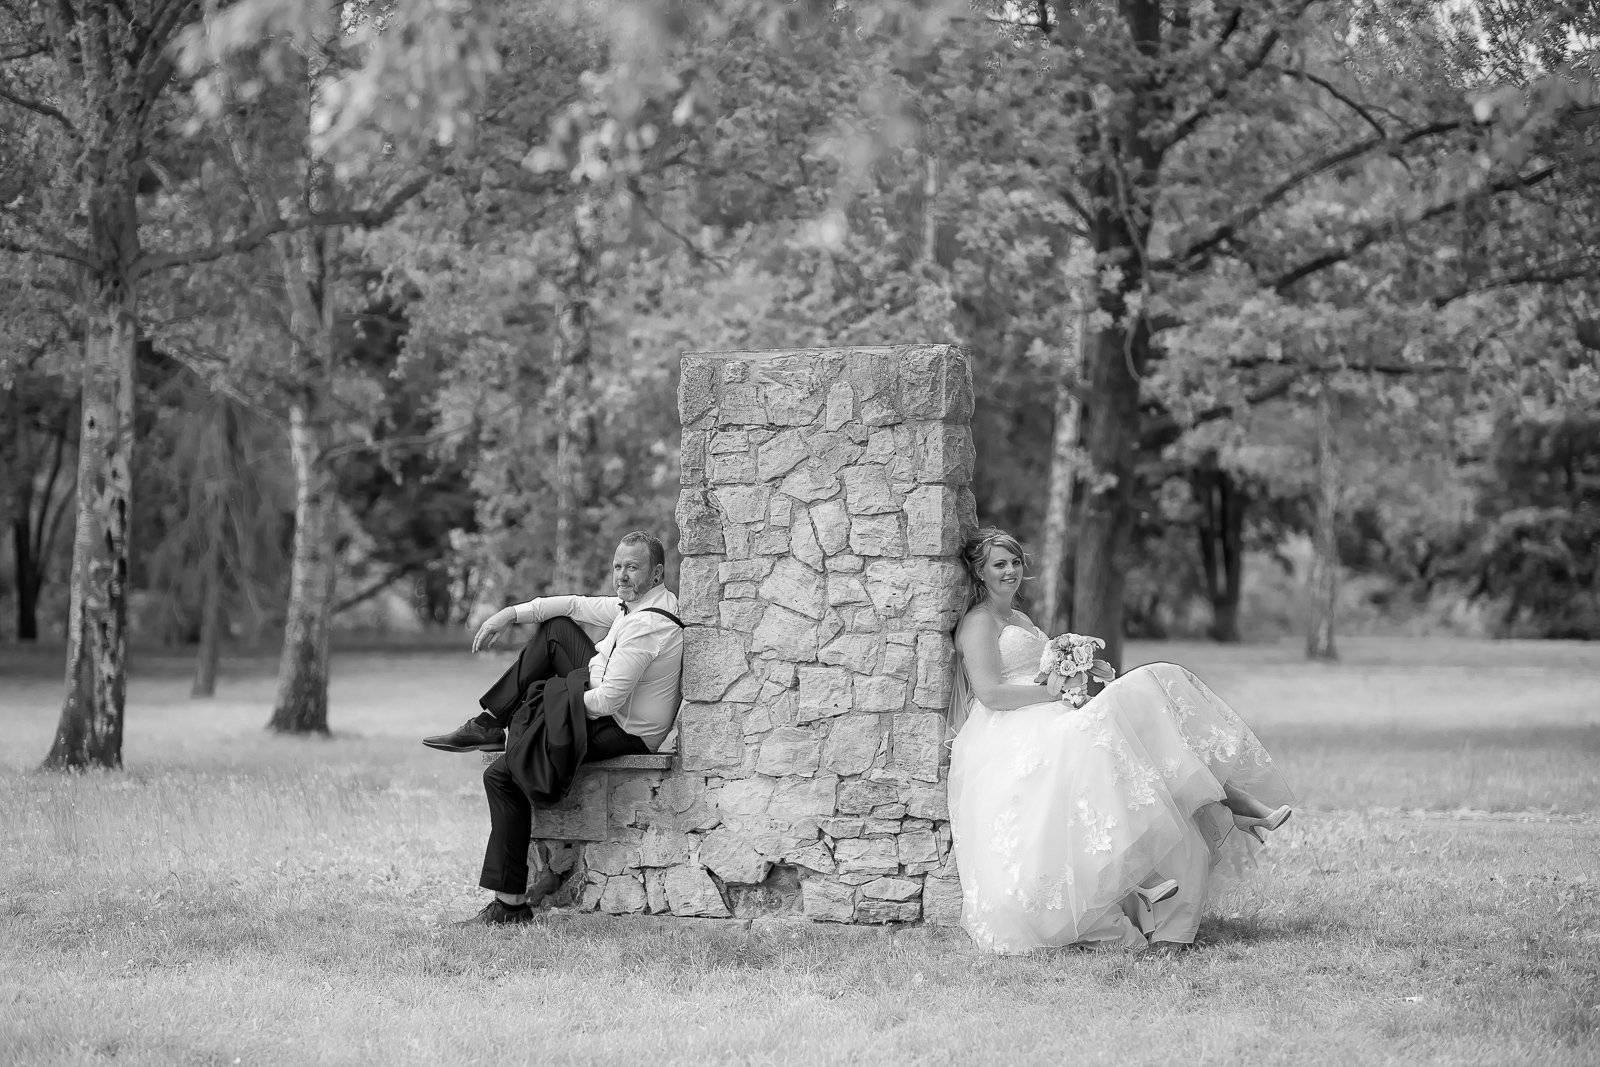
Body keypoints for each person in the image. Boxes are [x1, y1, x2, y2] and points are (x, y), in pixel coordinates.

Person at [947, 527, 1294, 955]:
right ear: (979, 572)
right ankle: (1198, 831)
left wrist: (1077, 677)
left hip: (1047, 714)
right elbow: (990, 694)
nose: (1011, 571)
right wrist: (1055, 693)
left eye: (1015, 562)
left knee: (1146, 717)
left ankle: (1219, 808)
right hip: (1011, 730)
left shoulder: (1020, 620)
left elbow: (1039, 677)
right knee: (1134, 709)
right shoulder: (979, 622)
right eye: (999, 564)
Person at [430, 532, 684, 926]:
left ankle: (510, 907)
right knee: (557, 630)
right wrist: (509, 614)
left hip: (622, 729)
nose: (621, 575)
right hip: (603, 698)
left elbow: (606, 702)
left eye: (632, 567)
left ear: (656, 573)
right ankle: (489, 723)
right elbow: (574, 605)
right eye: (617, 566)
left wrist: (553, 707)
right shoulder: (636, 605)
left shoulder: (646, 626)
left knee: (502, 775)